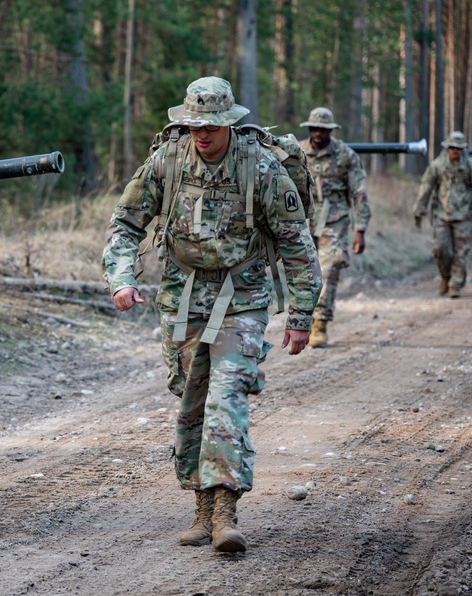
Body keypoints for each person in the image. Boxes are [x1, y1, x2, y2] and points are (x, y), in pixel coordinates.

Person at [102, 77, 321, 553]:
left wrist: (302, 314)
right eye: (193, 125)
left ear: (229, 123)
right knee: (192, 404)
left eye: (211, 126)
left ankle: (226, 512)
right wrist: (122, 278)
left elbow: (297, 245)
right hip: (182, 299)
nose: (201, 134)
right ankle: (201, 507)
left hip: (242, 297)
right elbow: (124, 225)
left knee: (227, 398)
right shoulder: (167, 161)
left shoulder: (260, 167)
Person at [298, 107, 371, 348]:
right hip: (303, 220)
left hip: (335, 220)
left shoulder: (345, 155)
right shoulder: (297, 152)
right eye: (314, 128)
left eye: (323, 129)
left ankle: (320, 323)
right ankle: (300, 321)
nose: (318, 133)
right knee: (303, 275)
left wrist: (360, 228)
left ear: (331, 131)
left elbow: (359, 192)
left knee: (329, 272)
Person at [413, 131, 472, 298]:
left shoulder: (471, 166)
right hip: (442, 214)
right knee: (441, 250)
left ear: (463, 149)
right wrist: (420, 207)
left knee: (461, 252)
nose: (455, 151)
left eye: (459, 148)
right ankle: (445, 277)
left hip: (465, 217)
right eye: (452, 148)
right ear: (447, 148)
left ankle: (456, 284)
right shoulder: (437, 166)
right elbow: (426, 186)